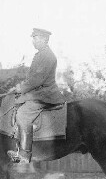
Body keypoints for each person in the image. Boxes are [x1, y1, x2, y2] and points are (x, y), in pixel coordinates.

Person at [7, 28, 65, 163]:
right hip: (38, 93)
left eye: (36, 38)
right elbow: (32, 78)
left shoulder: (47, 56)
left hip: (45, 95)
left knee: (23, 113)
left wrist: (20, 89)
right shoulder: (41, 54)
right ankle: (17, 145)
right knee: (15, 104)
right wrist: (18, 89)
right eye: (33, 38)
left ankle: (24, 154)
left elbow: (37, 80)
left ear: (44, 39)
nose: (33, 41)